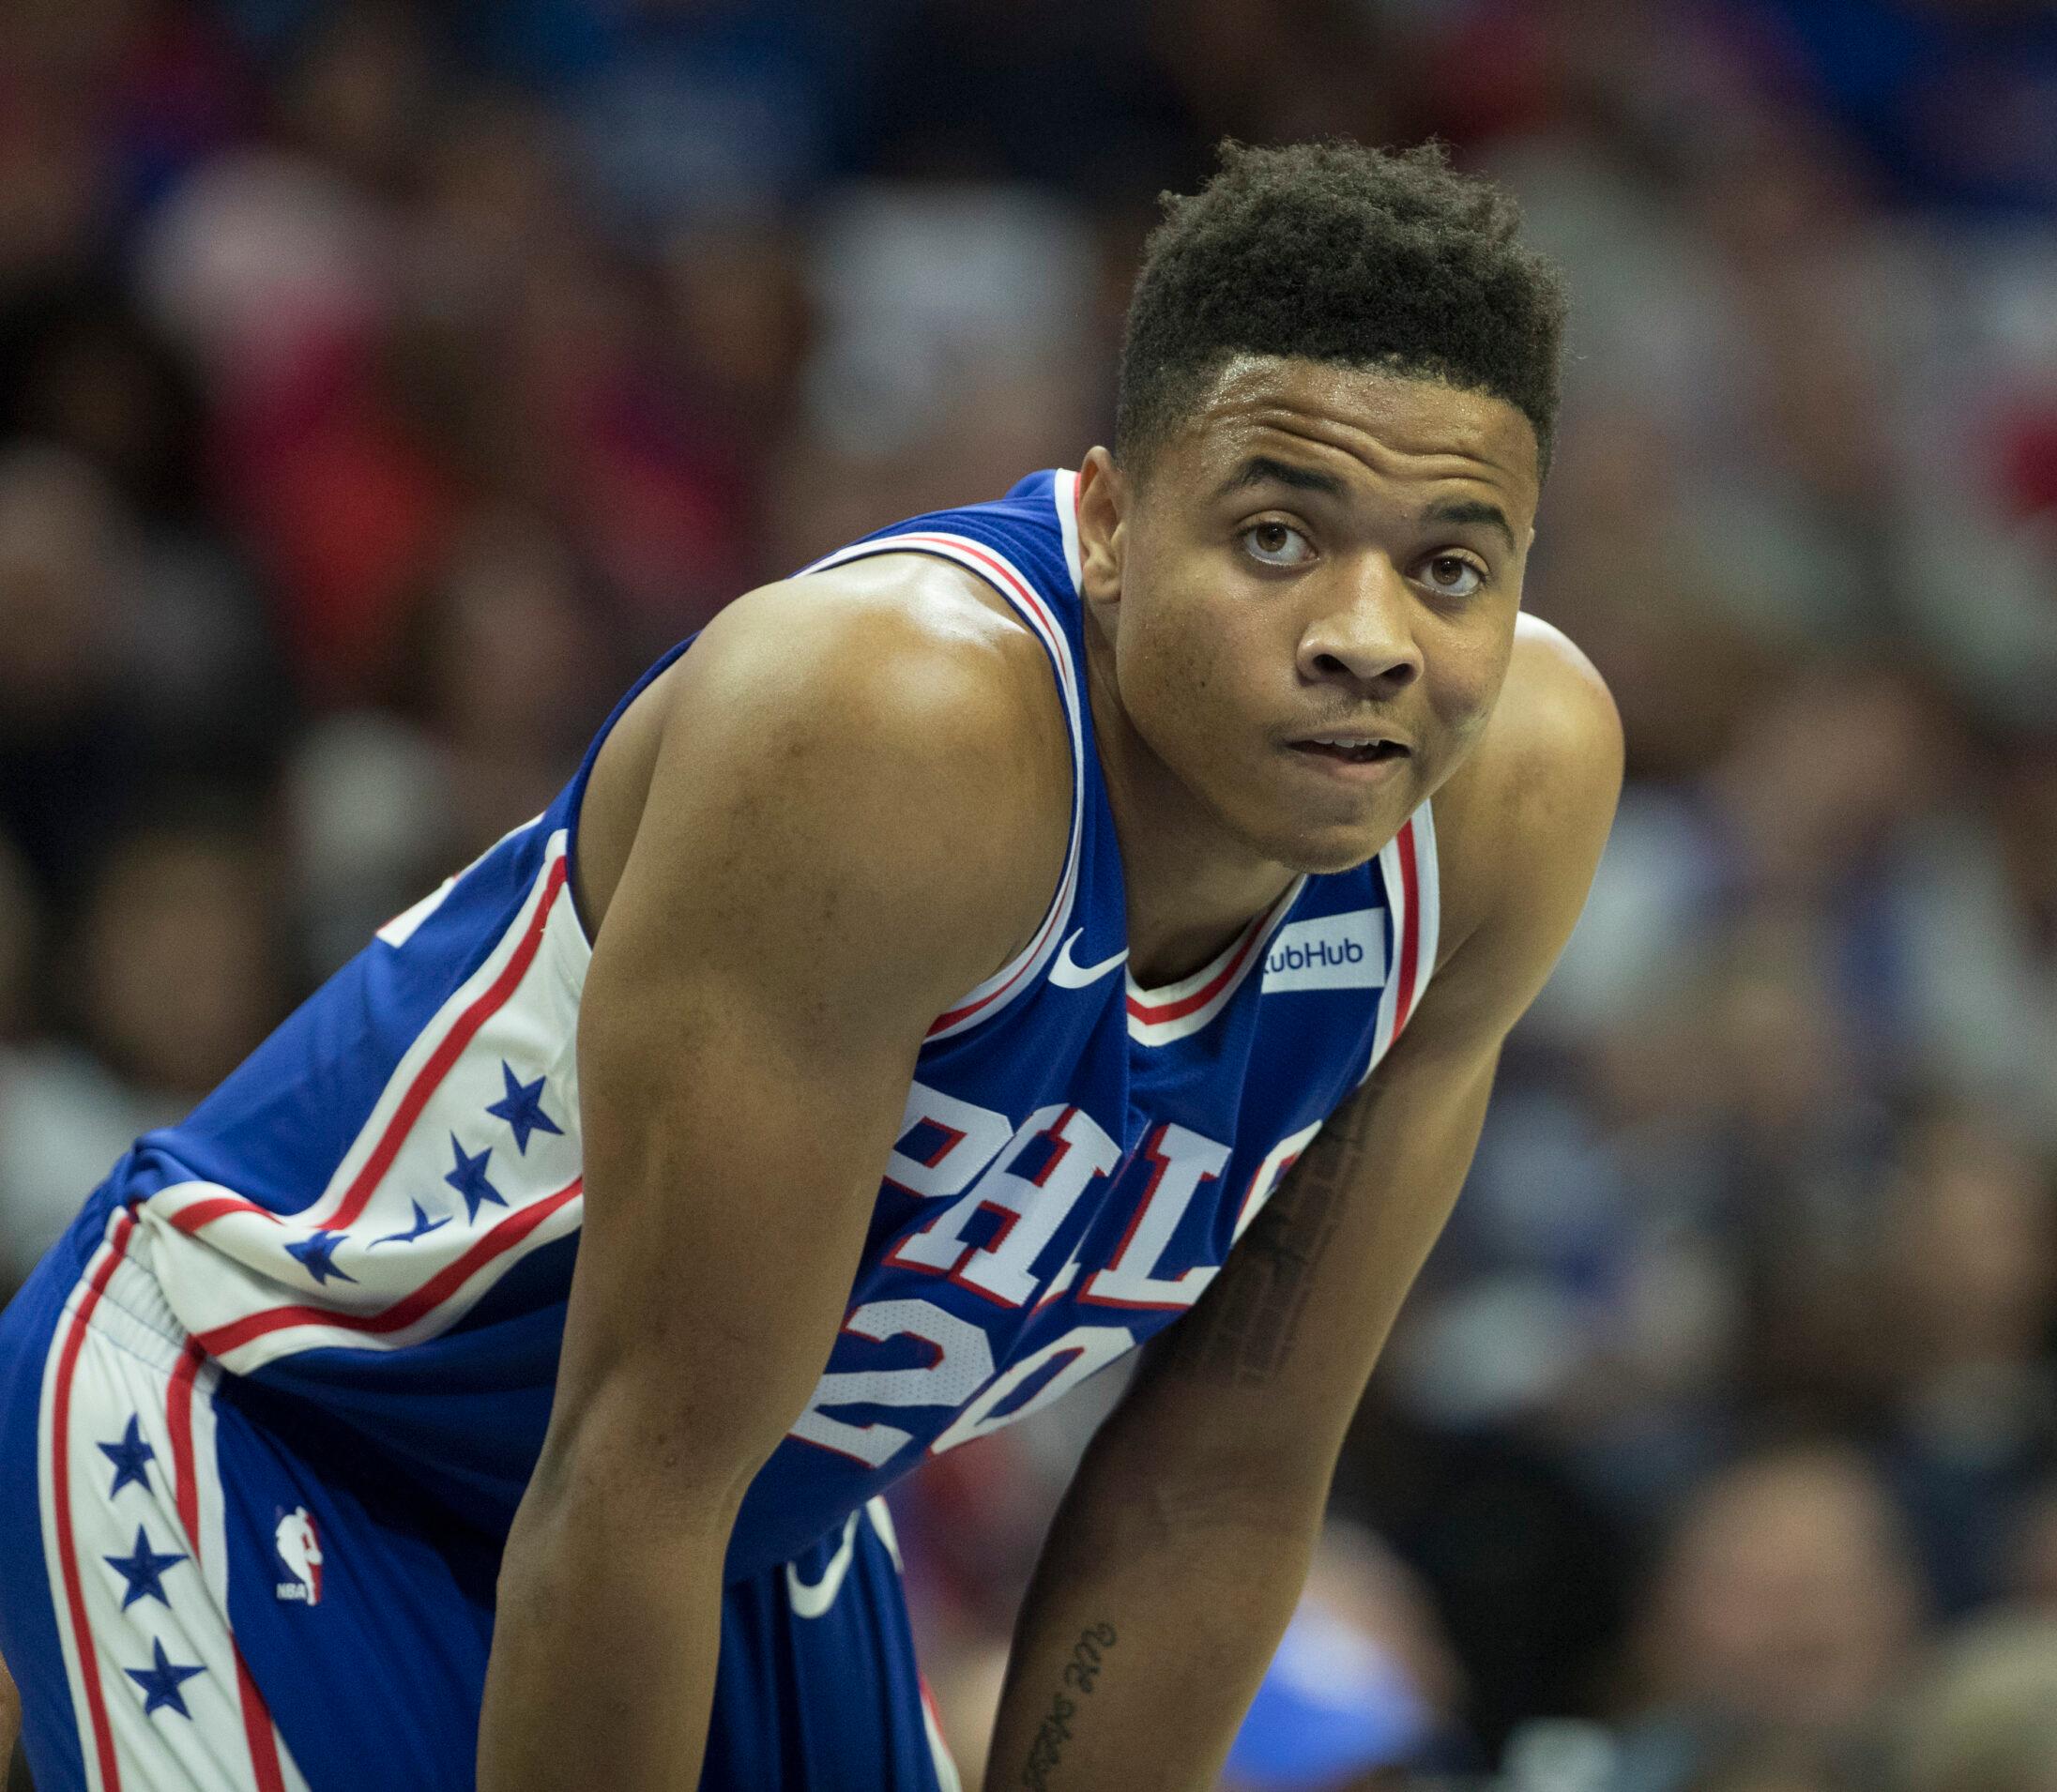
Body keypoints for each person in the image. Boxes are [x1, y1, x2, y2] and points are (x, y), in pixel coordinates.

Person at [0, 138, 1621, 1791]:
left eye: (1451, 566)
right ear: (1114, 522)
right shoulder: (896, 726)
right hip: (289, 1427)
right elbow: (629, 1473)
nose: (1369, 636)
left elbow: (1221, 1483)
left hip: (734, 1525)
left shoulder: (1507, 804)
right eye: (1277, 536)